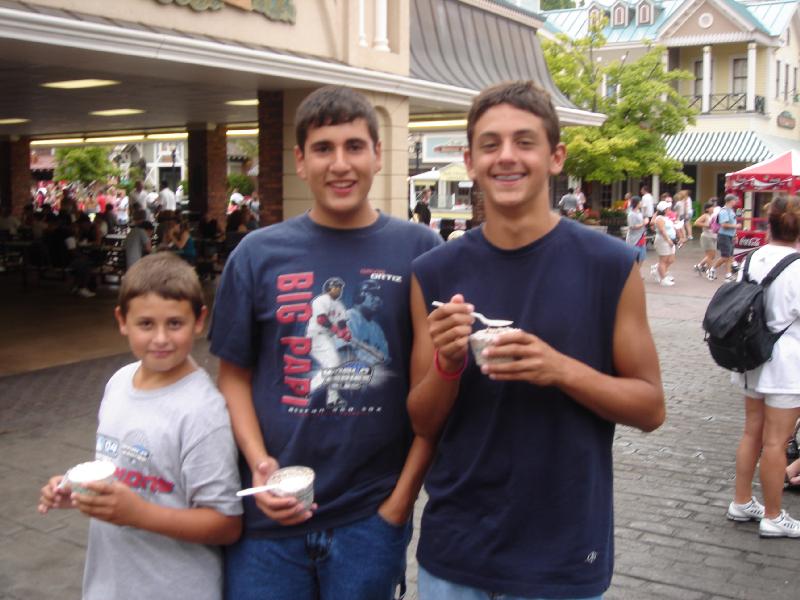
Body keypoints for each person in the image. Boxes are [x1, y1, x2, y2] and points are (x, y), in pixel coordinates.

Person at [408, 81, 665, 599]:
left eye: (524, 142)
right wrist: (448, 364)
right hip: (456, 551)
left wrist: (560, 370)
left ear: (555, 157)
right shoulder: (433, 272)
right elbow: (422, 421)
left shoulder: (610, 266)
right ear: (470, 161)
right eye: (490, 144)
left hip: (563, 555)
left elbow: (650, 408)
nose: (507, 156)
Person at [208, 85, 442, 600]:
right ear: (300, 160)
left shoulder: (421, 250)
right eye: (323, 148)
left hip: (370, 519)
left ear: (378, 154)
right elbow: (233, 376)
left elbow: (432, 396)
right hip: (269, 520)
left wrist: (399, 504)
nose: (340, 164)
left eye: (354, 146)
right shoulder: (256, 255)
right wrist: (260, 463)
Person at [37, 252, 242, 599]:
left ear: (199, 321)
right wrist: (80, 491)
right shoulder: (119, 383)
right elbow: (125, 474)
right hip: (109, 584)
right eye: (146, 324)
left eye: (174, 323)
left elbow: (226, 524)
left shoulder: (202, 413)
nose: (160, 338)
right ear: (122, 320)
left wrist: (139, 514)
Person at [727, 195, 800, 538]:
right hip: (785, 365)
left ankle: (741, 501)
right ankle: (773, 515)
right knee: (776, 442)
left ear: (768, 224)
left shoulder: (751, 258)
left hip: (751, 357)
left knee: (751, 432)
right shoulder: (798, 267)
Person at [709, 193, 740, 281]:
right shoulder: (724, 211)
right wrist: (736, 226)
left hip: (730, 236)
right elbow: (723, 224)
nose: (736, 202)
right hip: (724, 236)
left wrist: (735, 235)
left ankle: (728, 275)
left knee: (730, 256)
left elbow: (732, 223)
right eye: (735, 200)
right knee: (725, 256)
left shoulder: (731, 211)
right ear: (731, 201)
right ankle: (712, 269)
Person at [650, 200, 677, 286]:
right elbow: (662, 231)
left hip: (671, 239)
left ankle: (658, 270)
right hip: (663, 240)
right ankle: (663, 278)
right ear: (664, 210)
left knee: (671, 259)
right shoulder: (659, 219)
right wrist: (668, 240)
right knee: (663, 260)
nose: (669, 209)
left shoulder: (666, 218)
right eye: (668, 208)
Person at [693, 199, 717, 276]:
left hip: (713, 237)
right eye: (711, 207)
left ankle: (699, 266)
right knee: (710, 255)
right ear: (707, 209)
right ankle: (709, 272)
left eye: (713, 207)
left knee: (712, 255)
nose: (713, 208)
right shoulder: (705, 216)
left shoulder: (714, 216)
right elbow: (696, 223)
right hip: (706, 236)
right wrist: (707, 225)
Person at [625, 195, 647, 274]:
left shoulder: (639, 212)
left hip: (641, 236)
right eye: (640, 202)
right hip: (634, 238)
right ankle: (633, 273)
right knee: (635, 257)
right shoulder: (631, 214)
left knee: (642, 257)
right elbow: (632, 226)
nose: (641, 203)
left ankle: (636, 272)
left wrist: (644, 221)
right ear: (637, 203)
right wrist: (643, 223)